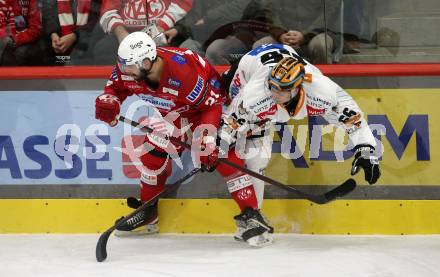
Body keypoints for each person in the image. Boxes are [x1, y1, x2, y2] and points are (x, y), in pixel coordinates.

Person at [95, 32, 274, 247]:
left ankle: (252, 216)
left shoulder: (183, 72)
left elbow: (211, 105)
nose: (124, 72)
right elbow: (115, 87)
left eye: (129, 67)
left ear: (147, 61)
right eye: (122, 66)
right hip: (174, 112)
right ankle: (148, 213)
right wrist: (110, 101)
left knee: (224, 155)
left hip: (206, 108)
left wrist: (207, 141)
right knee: (152, 156)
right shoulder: (131, 69)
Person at [219, 43, 381, 220]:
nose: (274, 93)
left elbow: (352, 117)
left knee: (258, 147)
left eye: (280, 90)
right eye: (272, 86)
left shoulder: (323, 91)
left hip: (277, 63)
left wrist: (365, 150)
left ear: (296, 88)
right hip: (247, 70)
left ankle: (252, 216)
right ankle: (252, 216)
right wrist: (219, 144)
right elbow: (231, 122)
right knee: (257, 157)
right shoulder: (256, 92)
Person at [94, 0, 193, 64]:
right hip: (126, 34)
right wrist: (122, 34)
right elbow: (108, 12)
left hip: (164, 34)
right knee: (102, 49)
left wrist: (162, 27)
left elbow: (185, 7)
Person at [0, 0, 45, 65]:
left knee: (20, 52)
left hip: (26, 40)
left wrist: (16, 39)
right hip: (6, 40)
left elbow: (36, 29)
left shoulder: (33, 2)